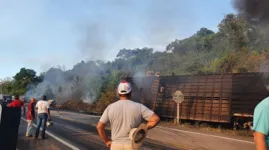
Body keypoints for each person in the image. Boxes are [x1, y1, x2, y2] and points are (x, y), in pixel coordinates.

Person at [96, 81, 160, 150]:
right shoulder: (139, 106)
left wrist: (107, 141)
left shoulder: (110, 107)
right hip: (132, 145)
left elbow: (99, 127)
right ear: (130, 92)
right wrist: (142, 129)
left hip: (116, 145)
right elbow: (155, 119)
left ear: (118, 93)